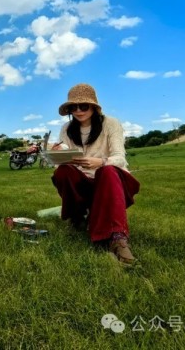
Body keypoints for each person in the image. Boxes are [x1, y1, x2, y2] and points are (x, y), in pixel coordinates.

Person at [50, 83, 140, 266]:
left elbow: (120, 158)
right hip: (83, 179)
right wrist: (57, 153)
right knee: (63, 171)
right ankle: (77, 217)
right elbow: (62, 162)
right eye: (73, 107)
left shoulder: (111, 124)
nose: (78, 110)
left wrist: (101, 162)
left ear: (94, 107)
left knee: (107, 171)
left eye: (83, 106)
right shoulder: (67, 129)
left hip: (110, 179)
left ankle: (117, 237)